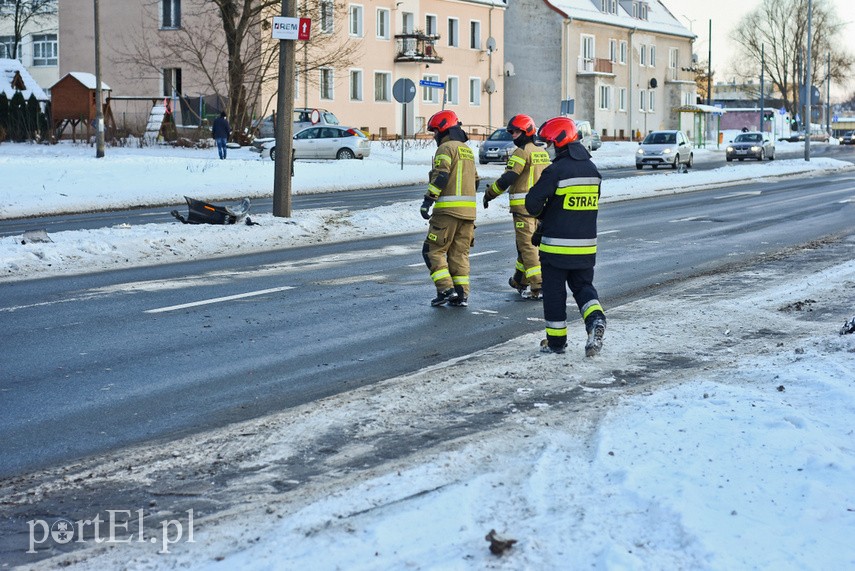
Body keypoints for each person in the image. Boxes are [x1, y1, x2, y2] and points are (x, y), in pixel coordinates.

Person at [525, 117, 606, 356]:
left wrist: (544, 210)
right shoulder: (593, 171)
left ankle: (556, 343)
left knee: (554, 294)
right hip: (585, 248)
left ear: (559, 142)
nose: (548, 148)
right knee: (583, 288)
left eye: (549, 143)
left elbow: (531, 205)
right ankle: (595, 321)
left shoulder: (556, 170)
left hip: (556, 248)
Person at [482, 114, 551, 300]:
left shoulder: (521, 152)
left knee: (528, 247)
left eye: (516, 131)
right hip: (540, 208)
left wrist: (489, 194)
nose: (513, 135)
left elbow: (509, 178)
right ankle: (520, 281)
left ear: (527, 131)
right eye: (511, 131)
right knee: (525, 246)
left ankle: (539, 286)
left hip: (523, 209)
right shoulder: (542, 153)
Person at [420, 110, 479, 307]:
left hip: (447, 213)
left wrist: (428, 200)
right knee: (458, 254)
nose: (434, 136)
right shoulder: (467, 150)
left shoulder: (445, 149)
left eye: (435, 131)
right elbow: (476, 180)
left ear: (443, 130)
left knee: (432, 250)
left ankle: (446, 289)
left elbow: (441, 176)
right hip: (469, 214)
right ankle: (461, 294)